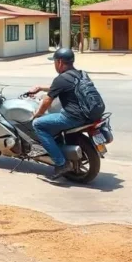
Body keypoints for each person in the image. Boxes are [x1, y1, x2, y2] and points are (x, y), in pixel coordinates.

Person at [27, 48, 86, 180]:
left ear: (59, 62)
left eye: (54, 62)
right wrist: (41, 87)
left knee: (38, 125)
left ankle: (61, 163)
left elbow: (48, 100)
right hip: (89, 114)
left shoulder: (61, 78)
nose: (54, 65)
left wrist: (38, 114)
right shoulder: (80, 74)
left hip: (73, 117)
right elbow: (59, 87)